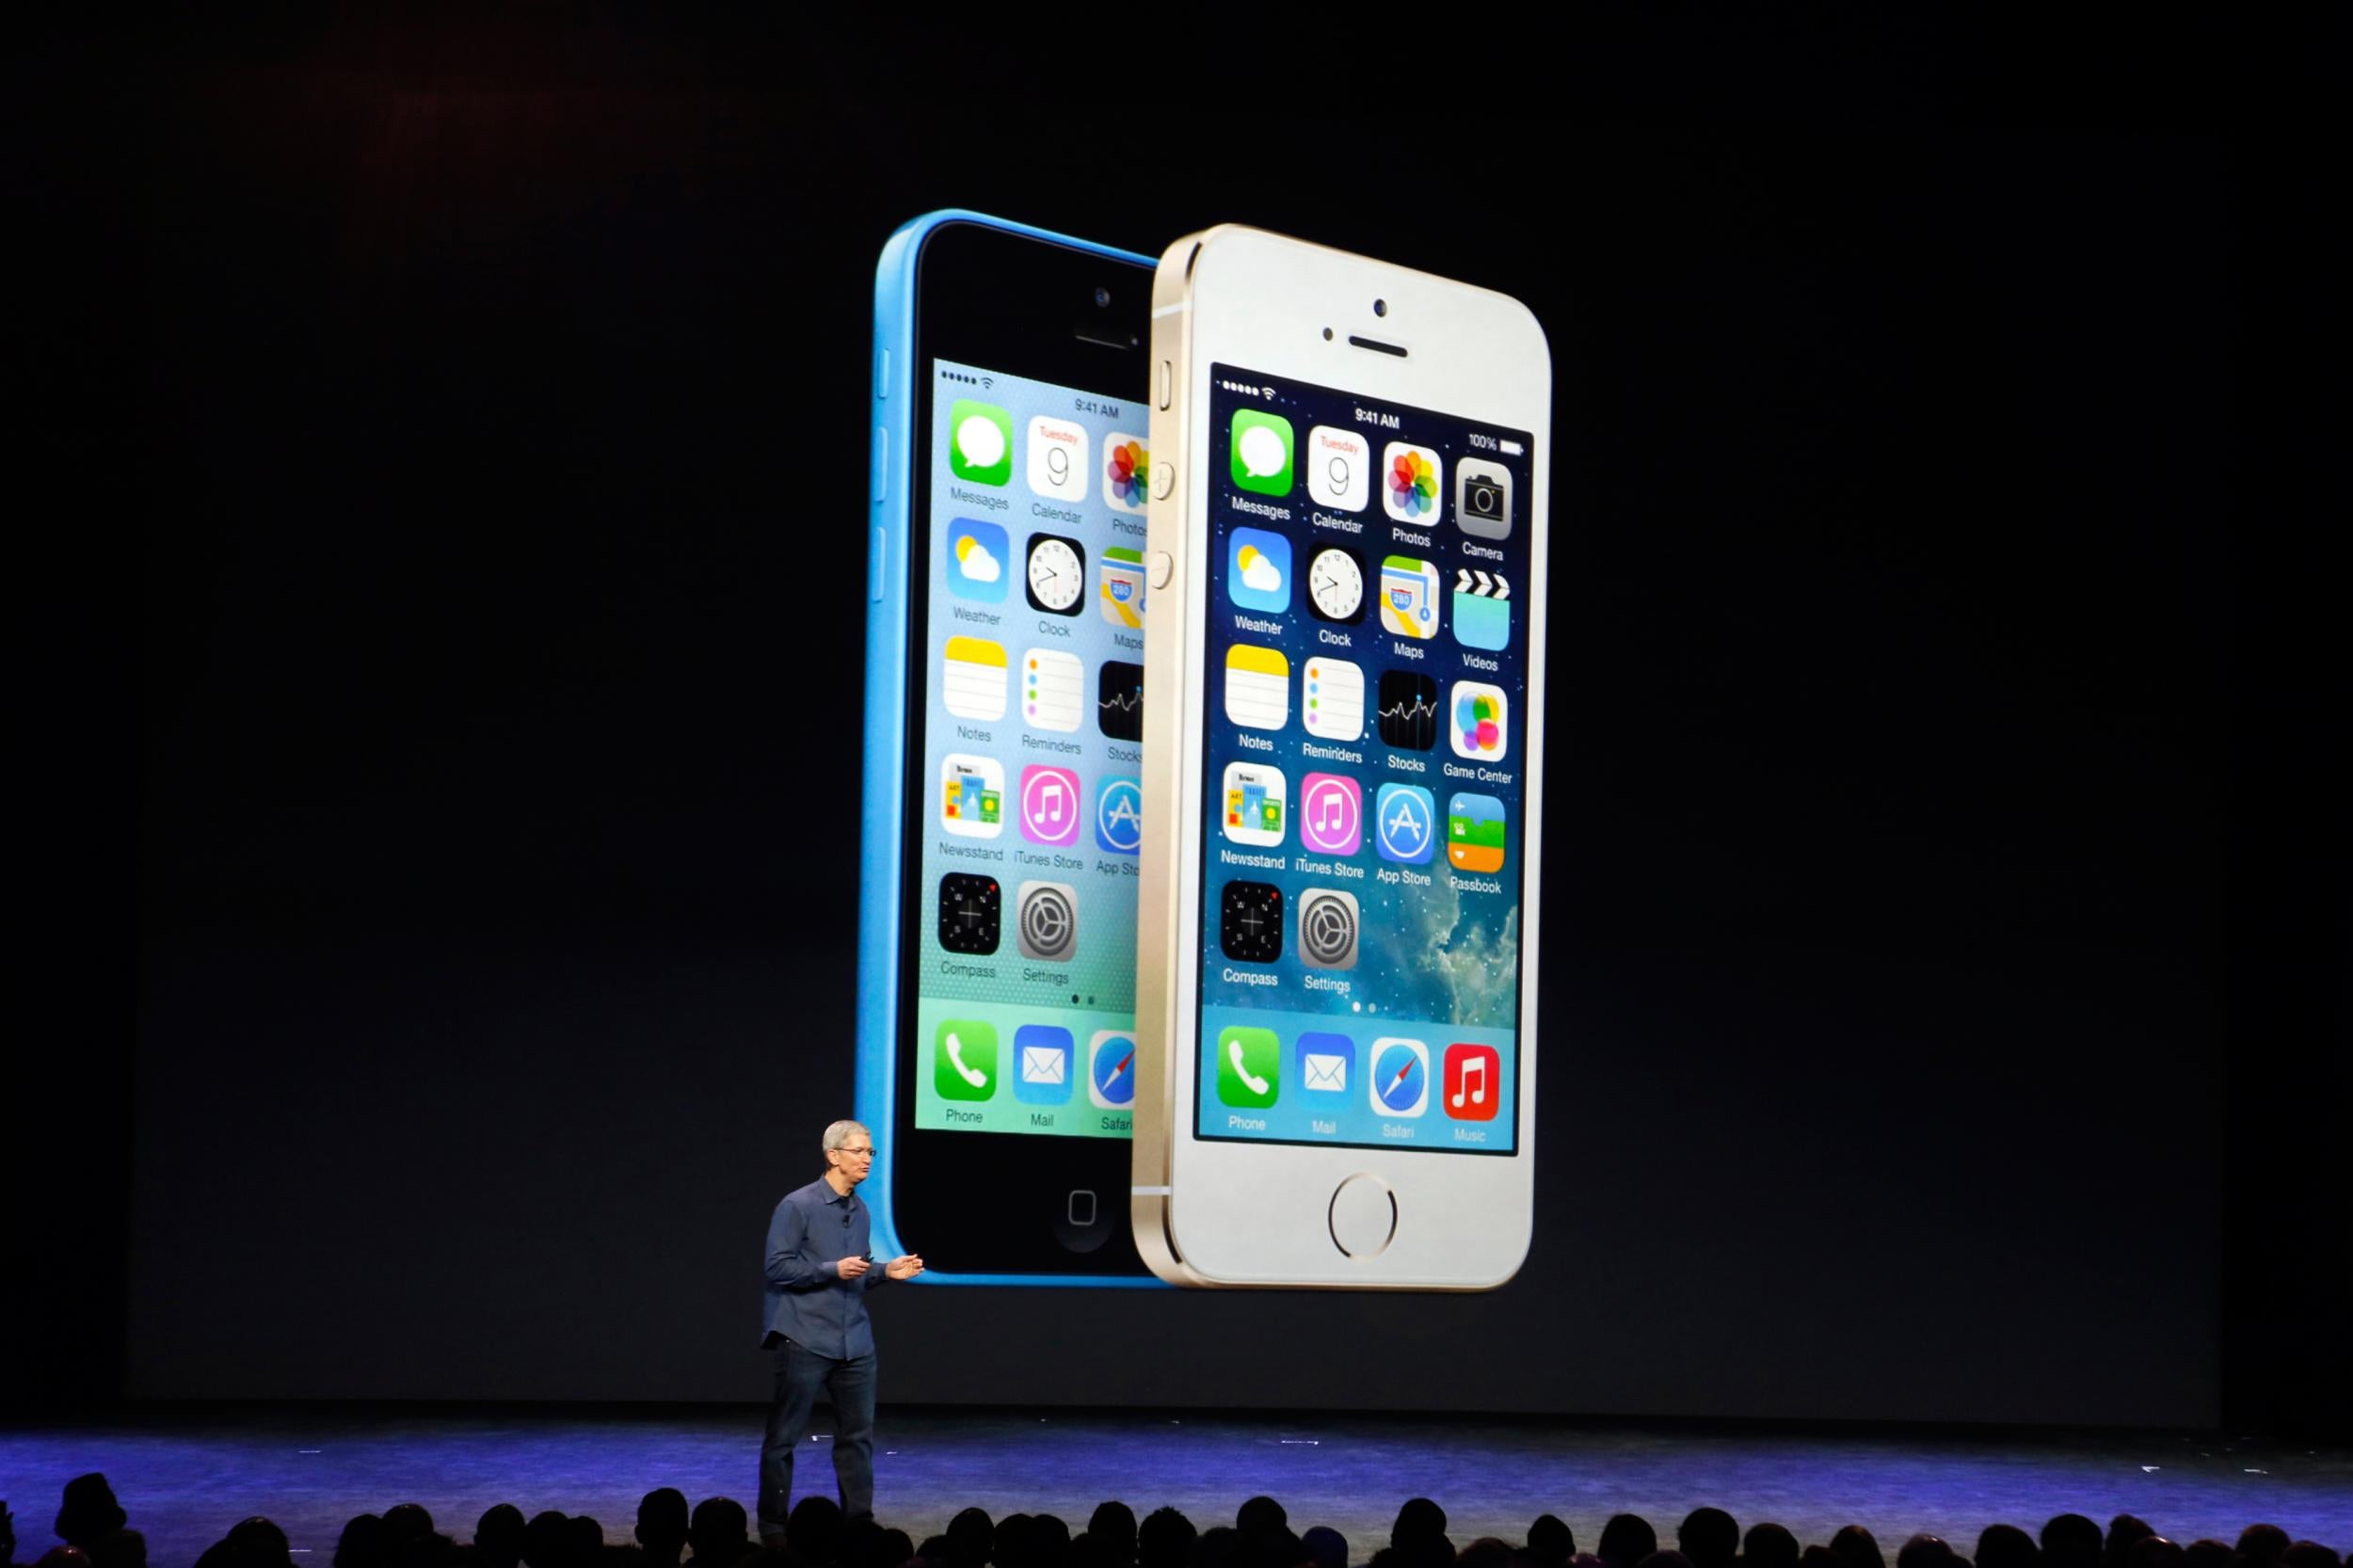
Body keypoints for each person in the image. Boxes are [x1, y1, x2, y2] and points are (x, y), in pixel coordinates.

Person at [760, 1119, 922, 1537]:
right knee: (783, 1438)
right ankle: (774, 1525)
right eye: (860, 1151)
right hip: (805, 1337)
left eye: (871, 1152)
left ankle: (858, 1524)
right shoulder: (798, 1205)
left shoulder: (861, 1210)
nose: (868, 1158)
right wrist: (832, 1268)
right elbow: (777, 1267)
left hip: (855, 1344)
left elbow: (859, 1273)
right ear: (834, 1156)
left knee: (856, 1439)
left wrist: (887, 1271)